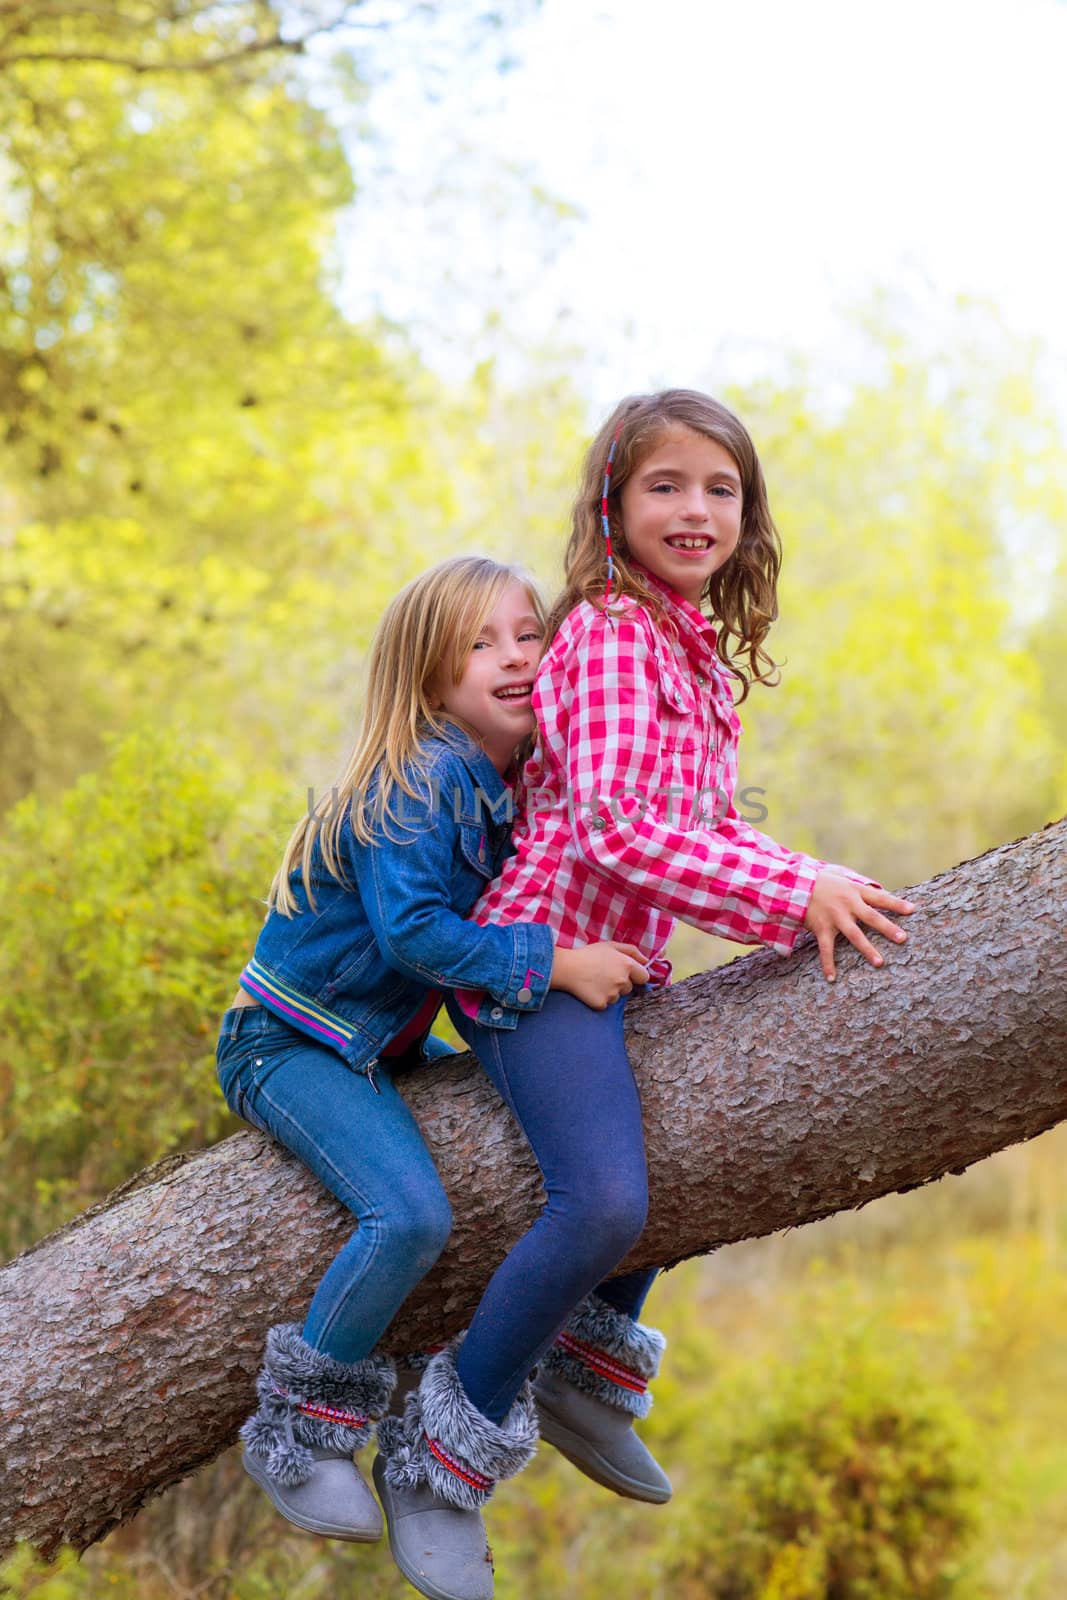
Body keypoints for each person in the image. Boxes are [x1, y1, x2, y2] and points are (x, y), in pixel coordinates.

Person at [374, 391, 917, 1600]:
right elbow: (620, 829)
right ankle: (438, 1454)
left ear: (747, 513)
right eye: (665, 484)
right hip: (538, 962)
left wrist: (798, 881)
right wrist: (796, 892)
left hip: (617, 966)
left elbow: (700, 829)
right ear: (611, 504)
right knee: (603, 1198)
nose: (694, 509)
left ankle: (583, 1369)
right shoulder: (614, 634)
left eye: (719, 489)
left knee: (685, 1147)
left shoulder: (684, 648)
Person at [216, 557, 647, 1565]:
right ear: (428, 680)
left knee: (575, 1143)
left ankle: (573, 1367)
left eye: (526, 633)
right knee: (408, 1213)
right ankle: (300, 1423)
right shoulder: (421, 778)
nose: (512, 658)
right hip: (293, 1041)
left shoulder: (502, 783)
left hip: (388, 1042)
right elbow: (413, 935)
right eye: (478, 643)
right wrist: (555, 961)